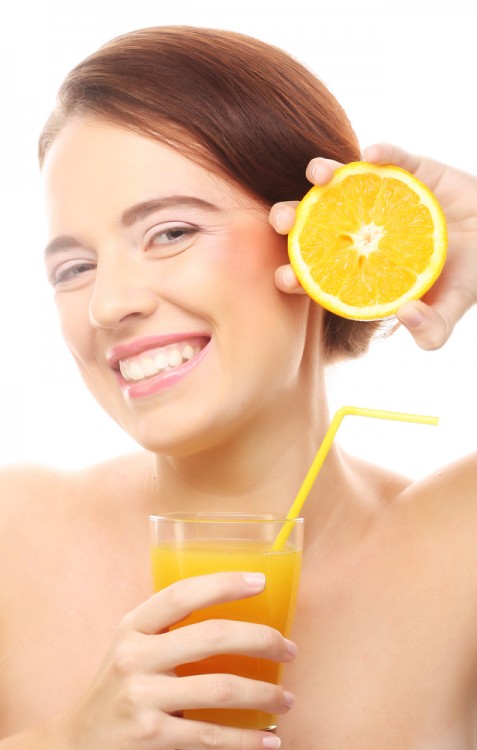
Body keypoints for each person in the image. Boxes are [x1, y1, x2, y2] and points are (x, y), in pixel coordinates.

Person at [0, 25, 476, 750]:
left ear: (313, 234)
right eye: (74, 268)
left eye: (169, 232)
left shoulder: (456, 550)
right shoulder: (16, 537)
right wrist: (66, 742)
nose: (109, 304)